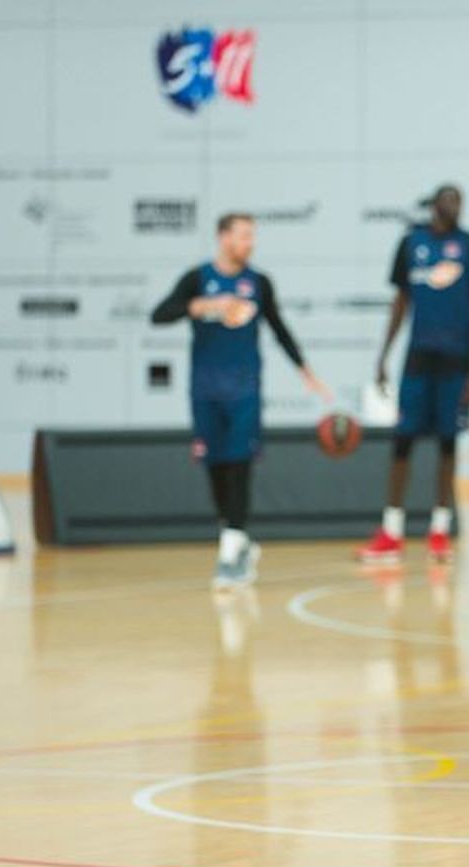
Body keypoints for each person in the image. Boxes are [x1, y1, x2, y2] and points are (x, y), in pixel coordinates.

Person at [151, 213, 330, 590]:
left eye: (253, 236)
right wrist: (199, 306)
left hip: (244, 389)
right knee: (215, 466)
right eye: (244, 235)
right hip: (205, 389)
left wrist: (305, 370)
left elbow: (279, 328)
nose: (251, 243)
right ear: (224, 238)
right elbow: (159, 314)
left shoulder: (259, 283)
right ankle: (236, 540)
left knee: (239, 464)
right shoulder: (198, 279)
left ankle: (231, 551)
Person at [357, 184, 469, 564]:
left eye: (460, 201)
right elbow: (400, 303)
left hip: (456, 362)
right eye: (450, 200)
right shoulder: (410, 244)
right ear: (435, 205)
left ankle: (439, 531)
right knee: (403, 440)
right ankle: (392, 531)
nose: (456, 206)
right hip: (417, 359)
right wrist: (383, 356)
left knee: (448, 444)